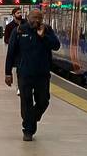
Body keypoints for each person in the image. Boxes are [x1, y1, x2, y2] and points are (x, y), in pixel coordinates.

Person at [5, 8, 60, 141]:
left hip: (42, 73)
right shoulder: (19, 31)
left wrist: (43, 37)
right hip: (24, 73)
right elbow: (11, 52)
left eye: (39, 18)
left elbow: (56, 45)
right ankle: (28, 130)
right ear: (28, 18)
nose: (37, 21)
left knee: (43, 101)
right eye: (34, 18)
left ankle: (32, 119)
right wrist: (8, 73)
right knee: (26, 101)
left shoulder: (47, 30)